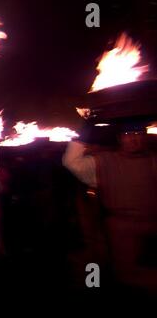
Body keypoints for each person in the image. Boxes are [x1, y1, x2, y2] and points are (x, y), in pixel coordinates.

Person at [62, 121, 157, 292]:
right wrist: (84, 132)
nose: (134, 139)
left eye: (138, 134)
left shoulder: (154, 160)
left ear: (145, 137)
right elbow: (72, 162)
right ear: (120, 139)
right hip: (121, 228)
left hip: (153, 226)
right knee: (126, 276)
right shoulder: (105, 161)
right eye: (128, 136)